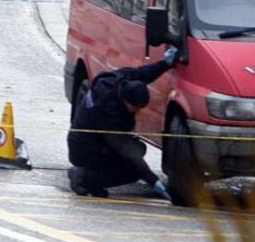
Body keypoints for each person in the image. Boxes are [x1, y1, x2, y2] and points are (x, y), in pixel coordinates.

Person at [67, 48, 179, 200]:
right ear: (125, 100)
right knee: (133, 170)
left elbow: (144, 73)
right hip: (83, 148)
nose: (137, 112)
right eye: (135, 108)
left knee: (139, 148)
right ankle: (83, 176)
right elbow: (127, 151)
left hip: (92, 141)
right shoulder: (108, 112)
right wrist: (154, 181)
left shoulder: (121, 80)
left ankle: (94, 181)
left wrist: (166, 63)